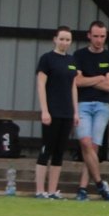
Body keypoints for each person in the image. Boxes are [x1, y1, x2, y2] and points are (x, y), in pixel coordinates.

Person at [73, 20, 109, 202]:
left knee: (92, 147)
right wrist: (100, 77)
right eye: (96, 36)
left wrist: (89, 78)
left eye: (102, 36)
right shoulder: (79, 55)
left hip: (102, 106)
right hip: (83, 104)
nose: (99, 40)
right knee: (85, 143)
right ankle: (100, 184)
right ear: (89, 36)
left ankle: (83, 188)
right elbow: (77, 81)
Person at [34, 26, 79, 199]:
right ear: (55, 39)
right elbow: (41, 85)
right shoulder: (47, 59)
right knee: (47, 149)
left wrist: (75, 112)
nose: (64, 42)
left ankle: (53, 190)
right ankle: (40, 190)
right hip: (52, 111)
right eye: (62, 39)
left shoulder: (72, 60)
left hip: (67, 112)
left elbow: (73, 86)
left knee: (60, 151)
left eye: (68, 40)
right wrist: (45, 110)